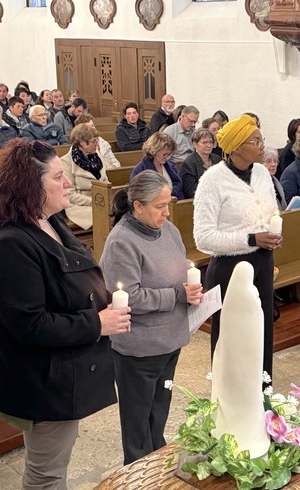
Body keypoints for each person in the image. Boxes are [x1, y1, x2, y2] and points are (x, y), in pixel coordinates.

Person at [0, 138, 131, 489]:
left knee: (55, 464)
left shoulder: (48, 222)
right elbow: (29, 324)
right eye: (58, 177)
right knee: (45, 475)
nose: (68, 183)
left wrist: (106, 300)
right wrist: (97, 323)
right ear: (30, 185)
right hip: (41, 381)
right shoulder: (10, 244)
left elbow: (69, 279)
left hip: (62, 372)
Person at [99, 170, 202, 465]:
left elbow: (179, 268)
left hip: (169, 340)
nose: (166, 212)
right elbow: (129, 296)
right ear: (138, 206)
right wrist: (177, 294)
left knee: (159, 410)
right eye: (160, 206)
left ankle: (157, 461)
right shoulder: (122, 242)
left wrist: (192, 289)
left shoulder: (168, 230)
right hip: (140, 347)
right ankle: (137, 470)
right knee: (137, 421)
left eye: (167, 204)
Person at [193, 114, 280, 380]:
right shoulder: (212, 180)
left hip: (263, 261)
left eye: (262, 139)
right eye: (256, 141)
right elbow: (203, 237)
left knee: (262, 330)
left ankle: (262, 391)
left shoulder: (262, 173)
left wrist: (274, 232)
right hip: (230, 268)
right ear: (237, 147)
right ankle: (228, 394)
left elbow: (271, 211)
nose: (262, 146)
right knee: (232, 337)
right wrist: (251, 239)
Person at [60, 124, 113, 230]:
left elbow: (105, 181)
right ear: (82, 143)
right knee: (104, 216)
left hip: (100, 200)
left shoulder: (97, 156)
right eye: (94, 141)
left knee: (118, 212)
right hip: (80, 205)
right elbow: (70, 194)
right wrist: (93, 201)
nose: (97, 144)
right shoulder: (66, 162)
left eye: (97, 140)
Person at [130, 132, 184, 200]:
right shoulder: (140, 170)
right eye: (164, 154)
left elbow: (179, 187)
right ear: (154, 151)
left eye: (169, 154)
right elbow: (137, 196)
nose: (168, 158)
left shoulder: (170, 165)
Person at [179, 127, 220, 198]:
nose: (209, 145)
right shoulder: (188, 164)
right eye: (204, 142)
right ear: (195, 144)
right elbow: (191, 191)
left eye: (210, 142)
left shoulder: (217, 159)